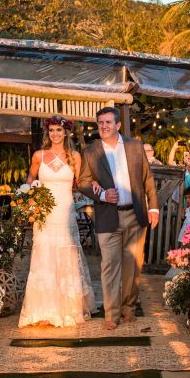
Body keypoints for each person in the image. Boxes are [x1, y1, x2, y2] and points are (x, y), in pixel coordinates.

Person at [77, 107, 159, 330]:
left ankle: (128, 309)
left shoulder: (135, 146)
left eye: (108, 122)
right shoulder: (91, 151)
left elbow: (147, 179)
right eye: (100, 123)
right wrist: (102, 194)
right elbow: (82, 181)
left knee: (132, 266)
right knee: (109, 267)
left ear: (118, 125)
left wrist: (154, 208)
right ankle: (111, 315)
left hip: (135, 214)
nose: (103, 126)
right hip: (107, 216)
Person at [19, 116, 95, 327]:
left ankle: (68, 308)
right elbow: (30, 181)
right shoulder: (38, 156)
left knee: (67, 252)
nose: (55, 134)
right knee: (43, 253)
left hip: (65, 212)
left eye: (59, 130)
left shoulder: (74, 157)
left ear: (65, 133)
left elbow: (80, 184)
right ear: (47, 133)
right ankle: (43, 309)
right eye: (52, 130)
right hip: (44, 215)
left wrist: (98, 187)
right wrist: (30, 202)